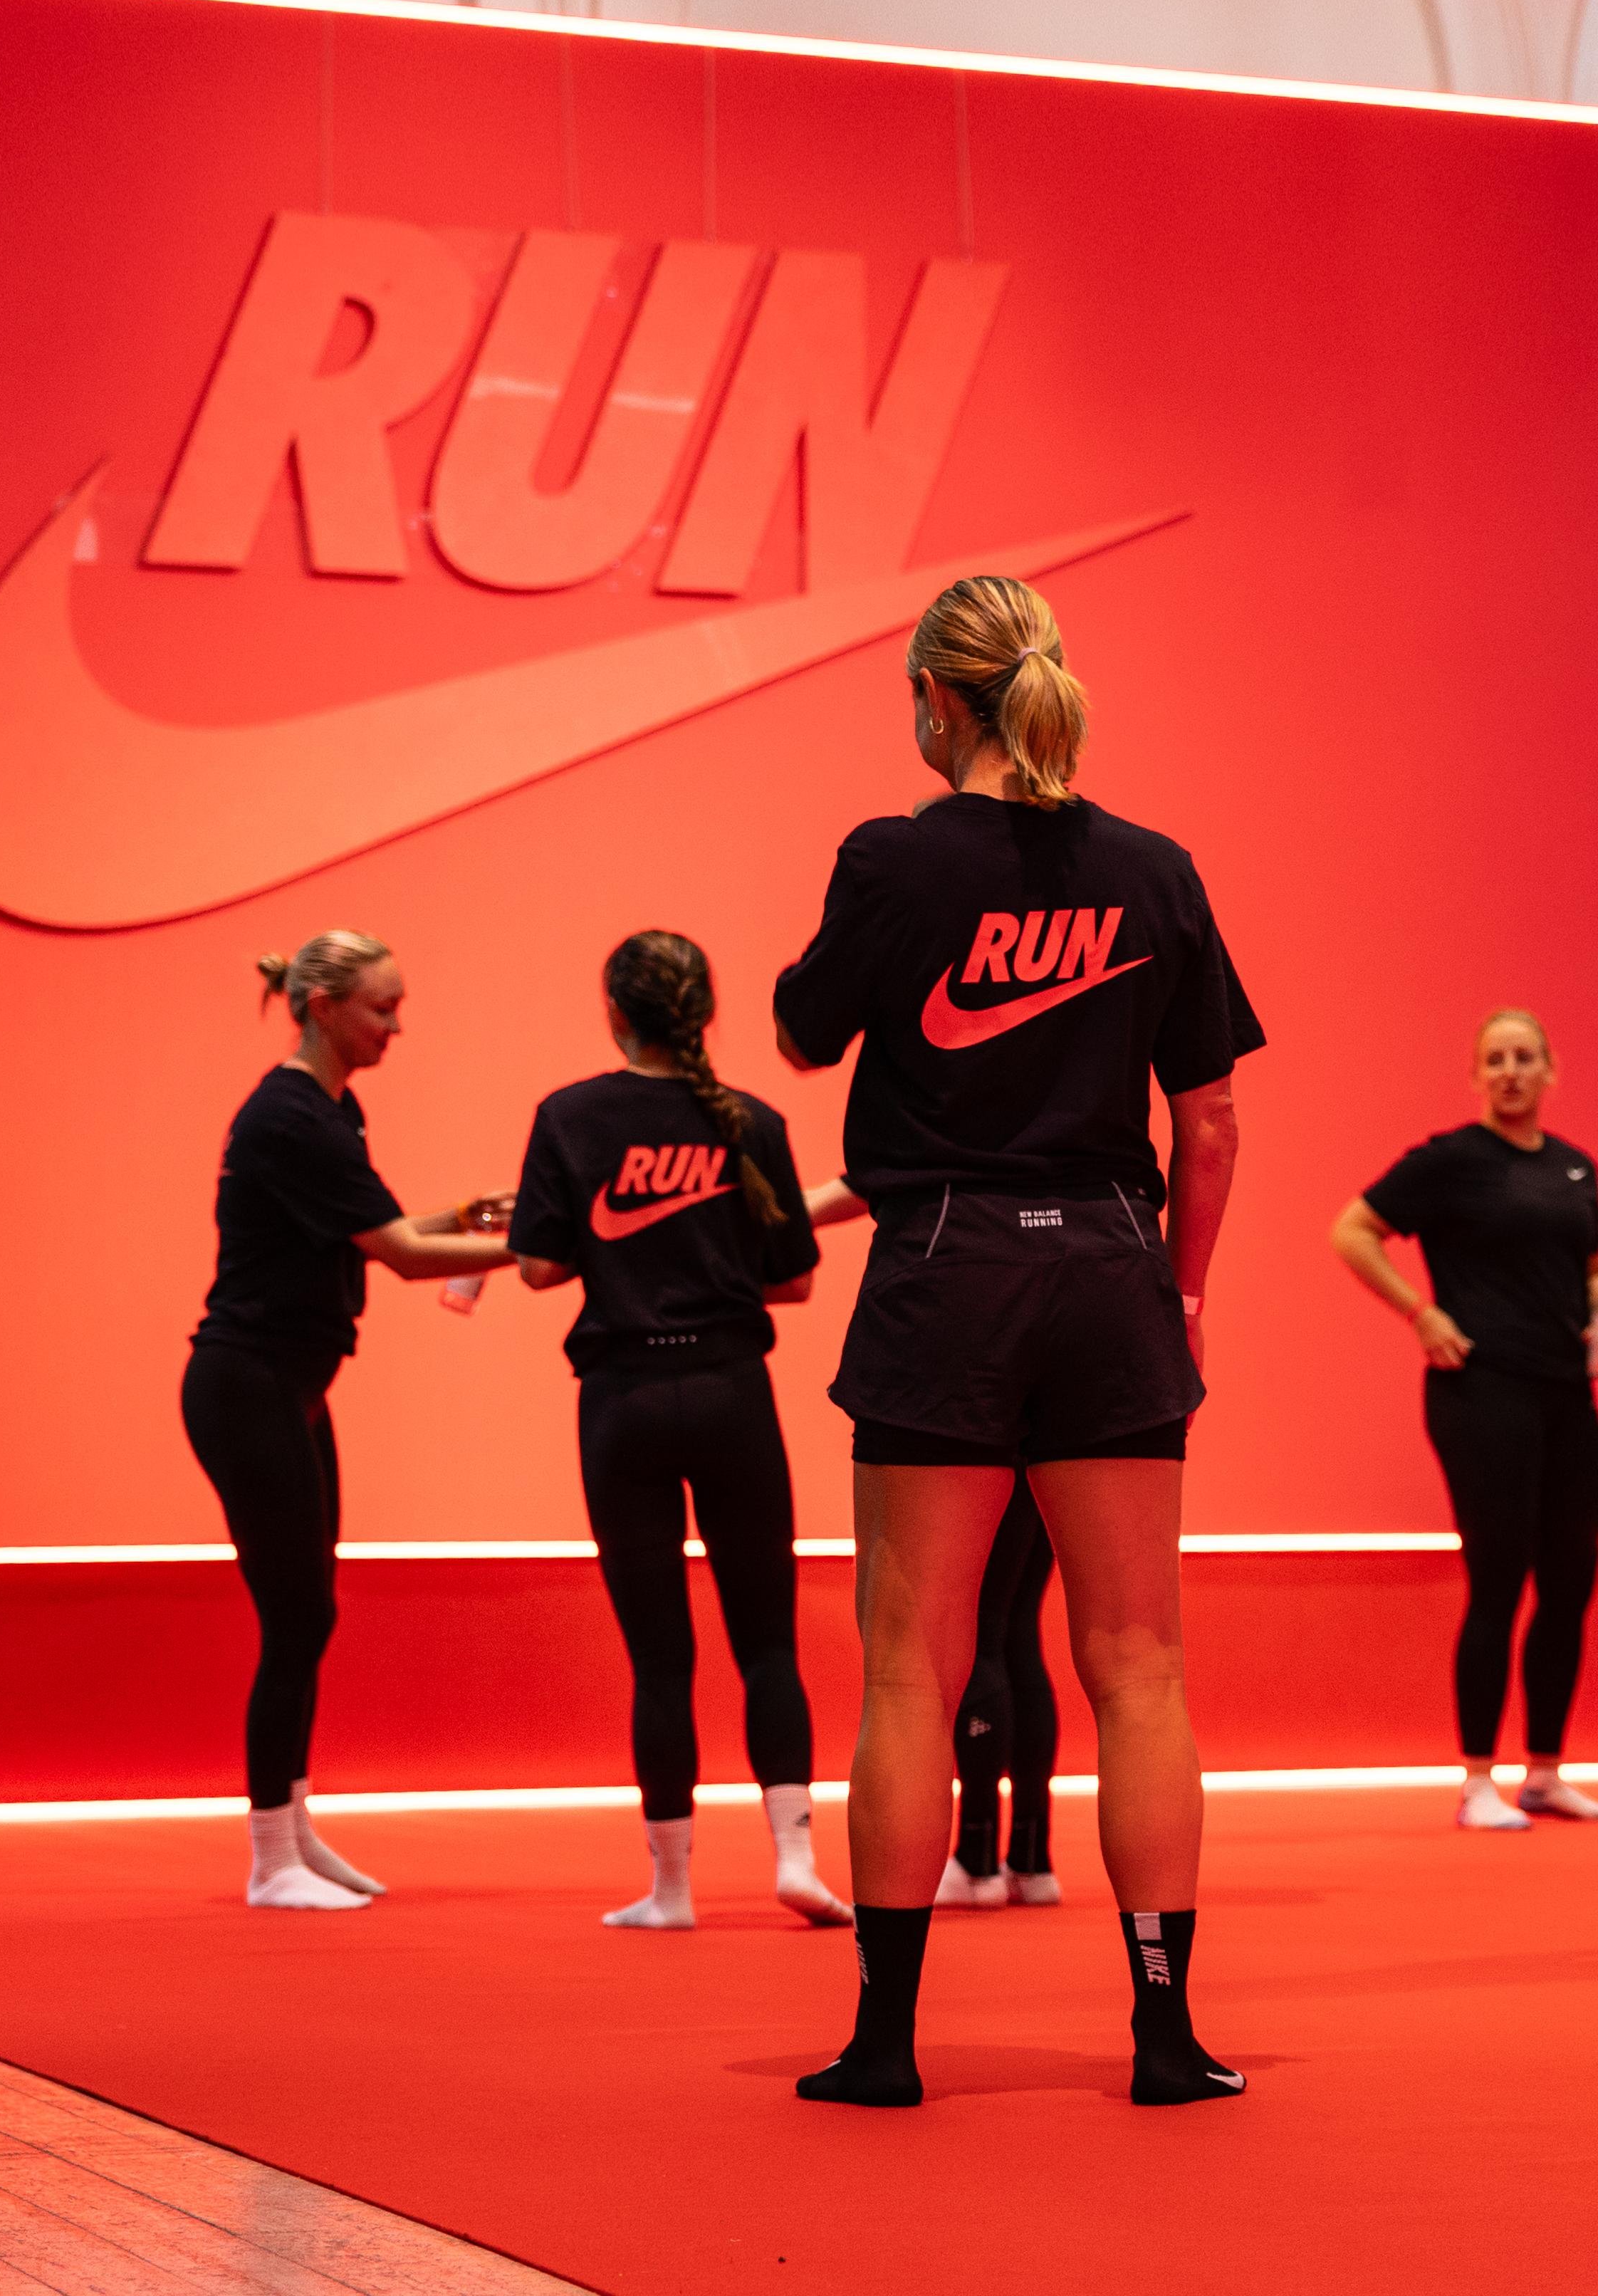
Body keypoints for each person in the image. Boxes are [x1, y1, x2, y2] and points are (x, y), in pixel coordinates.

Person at [771, 574, 1263, 2107]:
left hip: (942, 1269)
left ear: (938, 698)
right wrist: (1178, 1295)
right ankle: (1166, 2036)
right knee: (1140, 1665)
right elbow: (1212, 1123)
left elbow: (800, 1030)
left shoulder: (895, 862)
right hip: (1111, 1277)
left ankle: (885, 2043)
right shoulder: (1155, 868)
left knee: (910, 1669)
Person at [508, 931, 849, 1930]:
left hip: (624, 1401)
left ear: (616, 1013)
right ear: (706, 1014)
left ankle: (671, 1887)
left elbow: (535, 1267)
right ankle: (795, 1858)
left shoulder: (569, 1118)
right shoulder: (754, 1121)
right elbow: (792, 1278)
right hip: (735, 1392)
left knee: (661, 1658)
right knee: (768, 1645)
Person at [184, 933, 513, 1909]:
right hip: (245, 1382)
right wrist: (541, 1243)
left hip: (289, 1384)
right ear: (322, 1007)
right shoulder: (290, 1116)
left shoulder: (333, 1108)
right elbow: (408, 1257)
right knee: (299, 1612)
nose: (396, 1026)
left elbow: (378, 1233)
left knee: (309, 1607)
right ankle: (268, 1857)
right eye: (381, 1008)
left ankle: (293, 1827)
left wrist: (473, 1213)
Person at [1331, 1012, 1598, 1832]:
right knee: (1498, 1579)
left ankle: (1545, 1771)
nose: (1510, 1071)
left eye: (1524, 1057)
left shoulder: (1578, 1169)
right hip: (1481, 1392)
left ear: (1550, 1070)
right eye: (1495, 1060)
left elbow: (1591, 1265)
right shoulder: (1451, 1161)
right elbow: (1352, 1230)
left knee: (1570, 1582)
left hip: (1567, 1394)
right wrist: (1420, 1315)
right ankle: (1477, 1779)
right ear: (1476, 1075)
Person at [808, 1176, 1064, 1910]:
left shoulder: (960, 1127)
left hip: (980, 1380)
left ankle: (978, 1857)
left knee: (983, 1632)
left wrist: (785, 1208)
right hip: (1064, 1370)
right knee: (1016, 1631)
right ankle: (1031, 1857)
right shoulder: (1069, 1142)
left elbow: (872, 1176)